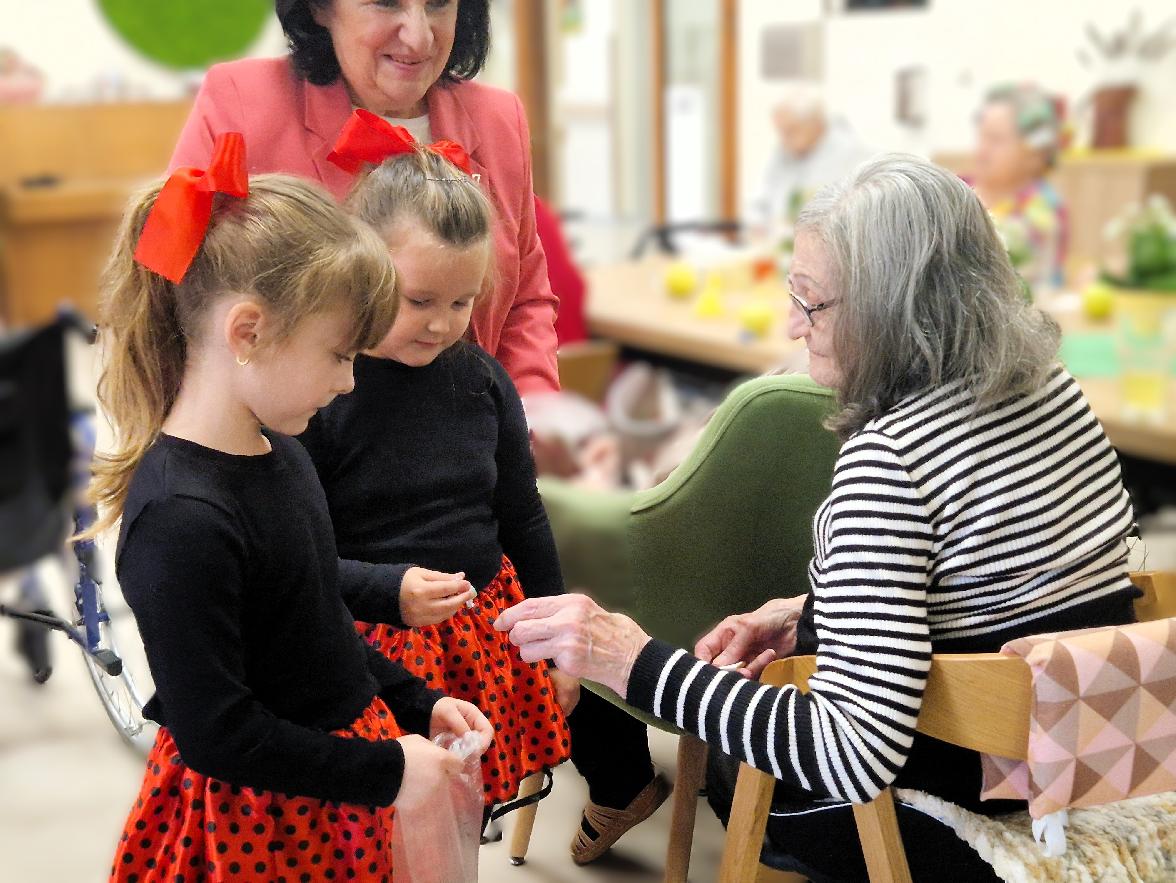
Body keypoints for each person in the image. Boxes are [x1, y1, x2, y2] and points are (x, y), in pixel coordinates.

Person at [496, 155, 1139, 882]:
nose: (791, 325)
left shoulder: (891, 460)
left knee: (732, 764)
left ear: (894, 309)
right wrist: (816, 610)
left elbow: (850, 756)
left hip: (950, 813)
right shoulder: (1053, 392)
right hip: (1088, 757)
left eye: (811, 303)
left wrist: (632, 660)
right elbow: (994, 591)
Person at [91, 134, 493, 882]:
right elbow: (219, 733)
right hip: (258, 822)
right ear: (247, 332)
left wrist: (416, 701)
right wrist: (384, 771)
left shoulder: (280, 450)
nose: (348, 383)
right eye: (339, 355)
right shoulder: (179, 520)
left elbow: (315, 620)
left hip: (336, 780)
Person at [297, 114, 667, 863]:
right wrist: (383, 590)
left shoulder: (483, 382)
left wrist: (560, 648)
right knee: (380, 829)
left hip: (479, 639)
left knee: (454, 820)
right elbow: (296, 558)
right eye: (419, 301)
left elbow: (523, 517)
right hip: (371, 647)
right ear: (359, 270)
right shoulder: (320, 391)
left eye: (462, 303)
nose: (442, 325)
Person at [168, 0, 560, 395]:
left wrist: (534, 417)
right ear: (320, 8)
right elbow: (167, 299)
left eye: (439, 3)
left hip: (467, 424)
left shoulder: (497, 118)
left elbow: (525, 303)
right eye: (386, 3)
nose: (419, 36)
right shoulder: (242, 105)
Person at [969, 82, 1067, 289]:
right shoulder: (959, 189)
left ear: (1034, 153)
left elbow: (1046, 283)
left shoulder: (1043, 208)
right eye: (982, 136)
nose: (982, 149)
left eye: (996, 140)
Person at [747, 83, 870, 241]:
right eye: (780, 131)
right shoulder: (782, 153)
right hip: (778, 245)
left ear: (815, 124)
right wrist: (757, 225)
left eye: (790, 131)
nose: (783, 139)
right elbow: (759, 202)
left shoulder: (852, 155)